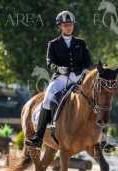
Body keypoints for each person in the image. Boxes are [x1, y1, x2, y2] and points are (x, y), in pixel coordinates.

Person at [25, 10, 93, 148]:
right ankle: (39, 136)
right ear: (60, 26)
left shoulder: (81, 42)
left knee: (95, 96)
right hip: (61, 78)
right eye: (66, 24)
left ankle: (98, 132)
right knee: (48, 96)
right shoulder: (53, 44)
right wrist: (59, 69)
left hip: (79, 77)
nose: (69, 27)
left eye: (71, 24)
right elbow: (50, 62)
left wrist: (85, 72)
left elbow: (88, 61)